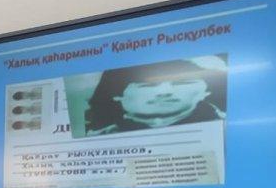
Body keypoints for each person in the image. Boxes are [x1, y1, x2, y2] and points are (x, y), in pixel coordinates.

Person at [85, 56, 227, 135]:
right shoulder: (96, 137)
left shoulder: (224, 130)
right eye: (147, 85)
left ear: (206, 91)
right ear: (116, 95)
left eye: (183, 83)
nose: (164, 91)